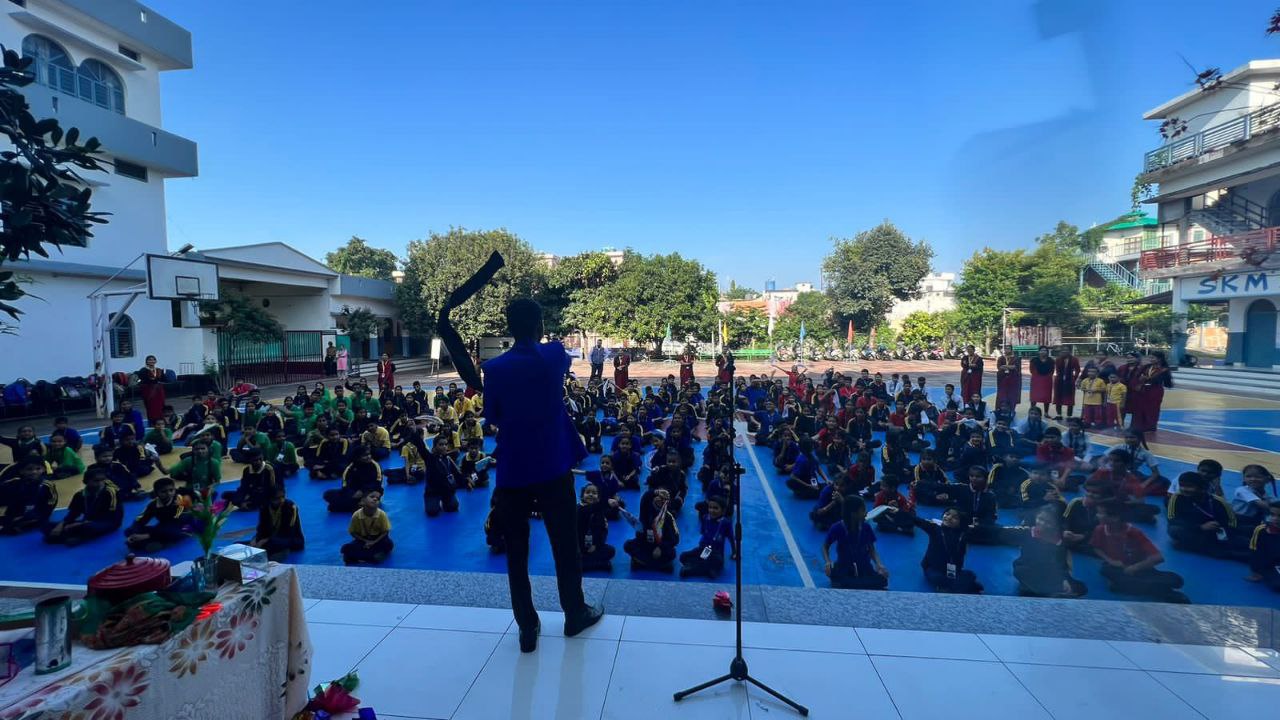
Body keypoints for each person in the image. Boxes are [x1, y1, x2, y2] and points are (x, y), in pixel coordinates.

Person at [483, 298, 603, 652]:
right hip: (552, 463)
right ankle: (574, 613)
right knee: (565, 544)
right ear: (538, 326)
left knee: (516, 551)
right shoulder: (553, 356)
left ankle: (527, 627)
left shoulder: (495, 368)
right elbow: (552, 356)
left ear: (508, 328)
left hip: (513, 467)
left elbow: (494, 415)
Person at [1091, 500, 1187, 602]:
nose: (1097, 515)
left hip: (1141, 567)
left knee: (1176, 580)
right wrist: (1111, 561)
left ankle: (1132, 586)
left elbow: (1158, 558)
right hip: (1118, 568)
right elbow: (1096, 548)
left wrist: (1135, 567)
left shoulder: (1134, 533)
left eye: (1100, 513)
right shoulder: (1100, 530)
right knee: (1106, 570)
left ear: (1115, 518)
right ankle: (1162, 591)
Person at [1010, 508, 1087, 598]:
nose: (1042, 523)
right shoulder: (1028, 533)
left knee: (1081, 587)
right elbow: (1029, 559)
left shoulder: (1059, 541)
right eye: (1040, 519)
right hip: (1030, 568)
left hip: (1051, 572)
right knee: (1020, 571)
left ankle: (1046, 591)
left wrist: (1063, 579)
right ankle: (1050, 592)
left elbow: (1061, 565)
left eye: (1048, 522)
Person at [909, 507, 983, 594]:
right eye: (947, 514)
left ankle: (951, 587)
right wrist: (899, 511)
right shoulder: (934, 529)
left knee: (971, 574)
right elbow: (918, 521)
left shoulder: (964, 535)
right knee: (937, 578)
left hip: (953, 570)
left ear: (961, 523)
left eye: (955, 517)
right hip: (933, 569)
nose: (949, 518)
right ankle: (962, 587)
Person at [822, 495, 889, 590]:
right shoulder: (837, 527)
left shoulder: (866, 528)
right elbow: (825, 546)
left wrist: (879, 564)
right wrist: (828, 562)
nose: (866, 513)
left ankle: (851, 584)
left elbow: (872, 549)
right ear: (853, 514)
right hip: (845, 566)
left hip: (864, 567)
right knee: (835, 574)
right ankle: (857, 583)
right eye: (863, 511)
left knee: (883, 579)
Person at [1167, 471, 1239, 557]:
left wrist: (1220, 528)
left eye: (1189, 486)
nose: (1184, 489)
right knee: (1174, 529)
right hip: (1194, 529)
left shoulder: (1217, 501)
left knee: (1243, 539)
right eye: (1181, 485)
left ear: (1201, 488)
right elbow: (1172, 519)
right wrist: (1200, 527)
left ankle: (1193, 546)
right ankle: (1220, 550)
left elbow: (1232, 521)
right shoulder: (1177, 497)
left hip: (1216, 531)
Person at [44, 468, 122, 546]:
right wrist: (60, 525)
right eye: (96, 481)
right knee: (49, 526)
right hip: (87, 521)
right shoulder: (80, 495)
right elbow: (73, 514)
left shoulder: (110, 493)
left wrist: (81, 524)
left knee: (88, 527)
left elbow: (113, 517)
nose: (100, 483)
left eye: (103, 480)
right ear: (86, 481)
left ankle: (78, 537)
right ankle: (72, 536)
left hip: (107, 522)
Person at [623, 486, 680, 571]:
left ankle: (642, 563)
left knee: (671, 553)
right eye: (659, 497)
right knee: (628, 545)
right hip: (646, 545)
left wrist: (661, 547)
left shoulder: (668, 517)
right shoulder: (646, 511)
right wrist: (657, 492)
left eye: (664, 499)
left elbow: (675, 539)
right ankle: (659, 565)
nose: (661, 500)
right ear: (653, 498)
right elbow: (645, 497)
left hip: (660, 548)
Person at [124, 477, 186, 552]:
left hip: (181, 526)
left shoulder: (180, 502)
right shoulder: (153, 505)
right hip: (163, 526)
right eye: (164, 491)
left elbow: (176, 522)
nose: (169, 493)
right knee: (129, 530)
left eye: (171, 490)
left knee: (172, 531)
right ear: (156, 493)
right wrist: (134, 533)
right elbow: (140, 519)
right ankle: (146, 542)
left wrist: (147, 535)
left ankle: (148, 542)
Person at [679, 495, 734, 578]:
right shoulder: (705, 518)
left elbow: (731, 538)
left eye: (716, 508)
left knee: (716, 561)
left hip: (716, 553)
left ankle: (693, 568)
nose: (712, 510)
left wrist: (735, 552)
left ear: (723, 511)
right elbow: (704, 533)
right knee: (683, 556)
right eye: (710, 507)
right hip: (704, 548)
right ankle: (705, 569)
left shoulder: (725, 523)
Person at [0, 459, 57, 535]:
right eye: (29, 469)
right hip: (20, 513)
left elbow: (52, 502)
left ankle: (20, 525)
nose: (34, 472)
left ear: (43, 469)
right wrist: (12, 516)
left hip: (38, 514)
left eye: (38, 469)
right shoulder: (16, 483)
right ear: (21, 471)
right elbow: (12, 502)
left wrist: (41, 515)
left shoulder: (47, 485)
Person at [252, 486, 306, 560]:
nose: (281, 500)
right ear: (270, 499)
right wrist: (257, 539)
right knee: (245, 543)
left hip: (289, 538)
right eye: (277, 498)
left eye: (283, 497)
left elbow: (288, 533)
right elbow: (262, 527)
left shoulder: (290, 507)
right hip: (271, 537)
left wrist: (266, 540)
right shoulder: (265, 507)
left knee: (270, 545)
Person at [341, 489, 393, 565]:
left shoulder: (382, 514)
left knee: (388, 544)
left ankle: (364, 556)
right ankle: (369, 556)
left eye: (378, 499)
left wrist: (373, 542)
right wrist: (365, 541)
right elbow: (353, 533)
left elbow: (386, 532)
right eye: (372, 497)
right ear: (363, 501)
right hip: (363, 539)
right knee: (347, 548)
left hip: (378, 539)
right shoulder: (357, 515)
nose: (375, 499)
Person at [157, 439, 221, 495]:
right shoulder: (188, 461)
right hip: (189, 491)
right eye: (197, 449)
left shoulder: (214, 463)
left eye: (203, 448)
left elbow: (217, 481)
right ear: (193, 450)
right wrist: (157, 462)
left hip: (206, 491)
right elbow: (165, 472)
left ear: (208, 449)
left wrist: (211, 487)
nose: (200, 451)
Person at [1129, 352, 1172, 435]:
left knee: (1152, 409)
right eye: (1150, 358)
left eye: (1153, 358)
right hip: (1143, 390)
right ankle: (1137, 426)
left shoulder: (1164, 369)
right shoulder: (1147, 367)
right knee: (1139, 408)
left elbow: (1168, 384)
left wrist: (1150, 379)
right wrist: (1140, 380)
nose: (1151, 359)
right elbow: (1137, 376)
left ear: (1159, 359)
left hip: (1155, 391)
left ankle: (1150, 426)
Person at [577, 484, 615, 572]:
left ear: (598, 497)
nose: (590, 494)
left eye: (594, 493)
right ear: (582, 496)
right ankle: (599, 564)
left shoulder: (600, 513)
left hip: (593, 546)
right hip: (579, 546)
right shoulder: (578, 509)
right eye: (587, 492)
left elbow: (603, 532)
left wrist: (596, 545)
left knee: (610, 551)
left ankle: (583, 565)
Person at [1246, 500, 1280, 591]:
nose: (1275, 518)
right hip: (1269, 565)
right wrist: (1256, 571)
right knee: (1277, 585)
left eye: (1279, 516)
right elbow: (1254, 552)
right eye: (1272, 515)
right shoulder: (1261, 530)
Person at [135, 354, 168, 424]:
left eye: (153, 360)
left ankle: (161, 421)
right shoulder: (143, 370)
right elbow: (144, 380)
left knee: (160, 406)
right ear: (146, 361)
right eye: (149, 360)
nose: (151, 361)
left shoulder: (159, 370)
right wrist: (154, 380)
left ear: (156, 361)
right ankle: (152, 422)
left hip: (158, 391)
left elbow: (164, 379)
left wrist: (164, 374)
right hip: (149, 391)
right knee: (151, 408)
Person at [1053, 346, 1081, 421]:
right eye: (1063, 350)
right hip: (1059, 380)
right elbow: (1057, 369)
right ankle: (1059, 415)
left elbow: (1077, 370)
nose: (1065, 351)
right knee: (1058, 397)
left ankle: (1069, 416)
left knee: (1070, 398)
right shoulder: (1058, 359)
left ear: (1070, 351)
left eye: (1067, 350)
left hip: (1069, 380)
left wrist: (1074, 378)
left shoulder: (1074, 359)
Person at [1027, 346, 1054, 417]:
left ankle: (1046, 412)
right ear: (1039, 352)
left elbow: (1052, 371)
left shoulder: (1051, 360)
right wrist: (1037, 376)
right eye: (1041, 350)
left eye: (1045, 350)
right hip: (1036, 380)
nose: (1043, 352)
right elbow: (1031, 370)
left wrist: (1047, 377)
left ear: (1047, 352)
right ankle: (1032, 410)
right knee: (1034, 397)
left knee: (1046, 397)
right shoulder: (1034, 360)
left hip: (1047, 380)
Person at [995, 347, 1022, 414]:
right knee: (1001, 394)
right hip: (1002, 379)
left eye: (1009, 349)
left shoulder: (1016, 358)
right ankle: (999, 409)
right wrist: (1009, 366)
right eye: (1006, 349)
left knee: (1012, 395)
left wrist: (1005, 366)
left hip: (1013, 379)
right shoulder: (1001, 358)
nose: (1007, 350)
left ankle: (1011, 410)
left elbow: (1016, 367)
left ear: (1011, 350)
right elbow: (999, 367)